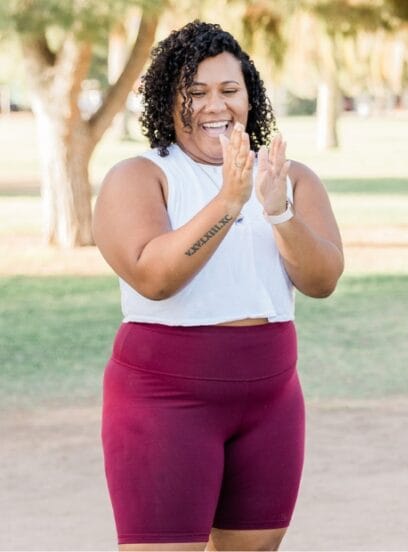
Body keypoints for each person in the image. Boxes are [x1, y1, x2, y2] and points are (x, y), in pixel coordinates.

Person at [92, 20, 344, 550]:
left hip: (271, 395)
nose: (216, 106)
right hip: (166, 399)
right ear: (168, 100)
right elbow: (154, 278)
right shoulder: (139, 176)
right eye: (196, 92)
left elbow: (322, 280)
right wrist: (230, 202)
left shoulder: (289, 177)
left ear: (250, 99)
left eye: (230, 90)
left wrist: (277, 213)